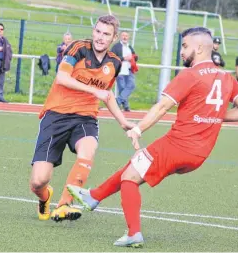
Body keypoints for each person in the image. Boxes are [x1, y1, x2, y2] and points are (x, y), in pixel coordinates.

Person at [67, 27, 238, 247]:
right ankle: (94, 196)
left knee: (130, 177)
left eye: (185, 46)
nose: (181, 52)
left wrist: (137, 130)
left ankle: (133, 234)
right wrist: (214, 116)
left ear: (200, 47)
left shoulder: (189, 75)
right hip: (200, 153)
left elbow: (161, 108)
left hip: (178, 145)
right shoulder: (227, 78)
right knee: (137, 164)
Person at [30, 15, 135, 223]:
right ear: (93, 31)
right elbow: (61, 77)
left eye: (106, 34)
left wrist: (124, 123)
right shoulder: (78, 48)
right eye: (98, 31)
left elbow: (107, 94)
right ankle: (45, 197)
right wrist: (93, 90)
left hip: (85, 117)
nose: (100, 37)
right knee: (38, 182)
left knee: (88, 150)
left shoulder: (114, 62)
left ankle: (64, 205)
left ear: (113, 38)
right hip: (56, 114)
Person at [111, 31, 138, 111]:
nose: (125, 37)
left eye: (126, 35)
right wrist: (124, 58)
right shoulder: (116, 46)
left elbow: (134, 57)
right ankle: (126, 106)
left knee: (131, 85)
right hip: (120, 70)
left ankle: (117, 101)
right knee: (122, 88)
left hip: (129, 70)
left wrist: (134, 58)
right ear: (120, 36)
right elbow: (112, 57)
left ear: (128, 37)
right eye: (123, 35)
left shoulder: (130, 47)